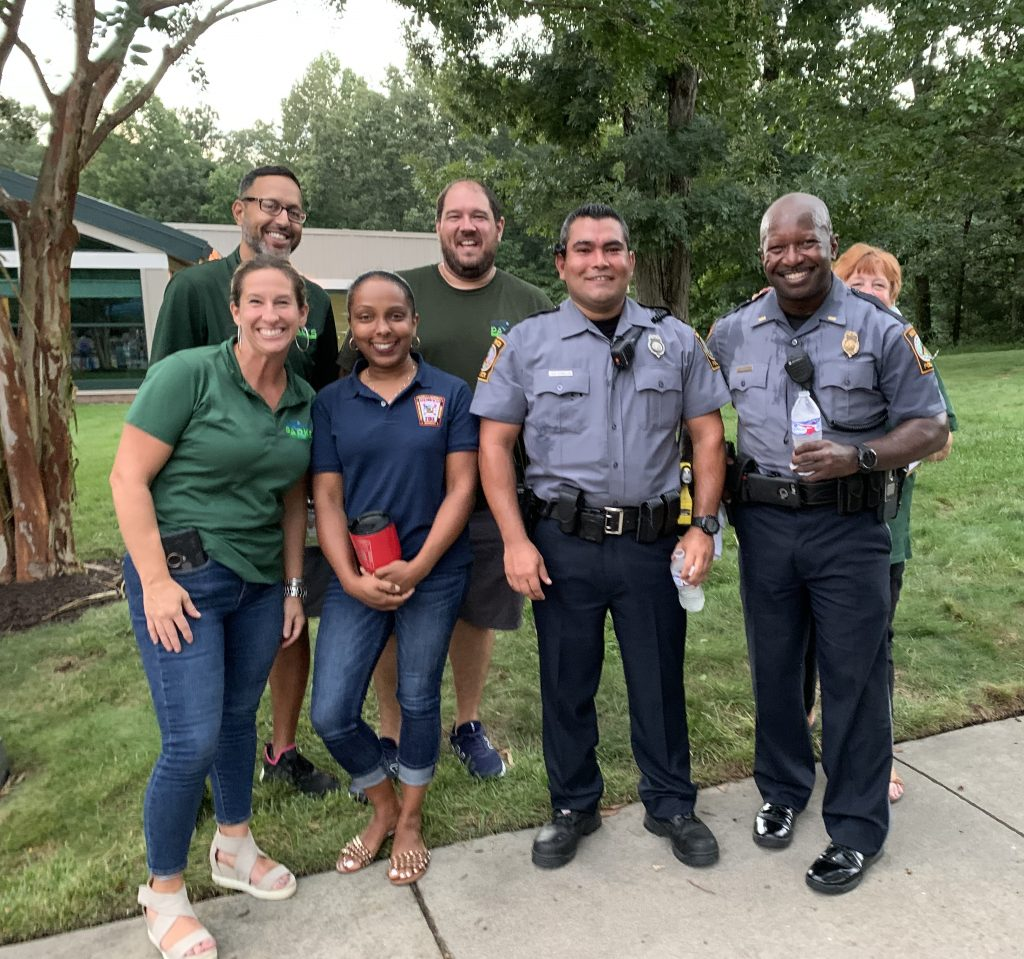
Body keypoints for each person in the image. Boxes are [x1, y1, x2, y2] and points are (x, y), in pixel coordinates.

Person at [473, 203, 730, 870]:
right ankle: (572, 804)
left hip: (652, 541)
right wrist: (514, 540)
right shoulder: (523, 344)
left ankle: (672, 802)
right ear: (561, 264)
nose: (599, 260)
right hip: (562, 541)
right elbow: (494, 445)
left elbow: (706, 435)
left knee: (658, 679)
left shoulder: (674, 340)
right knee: (565, 680)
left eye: (611, 247)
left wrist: (704, 524)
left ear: (630, 260)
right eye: (583, 249)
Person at [707, 193, 949, 894]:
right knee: (776, 667)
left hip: (850, 526)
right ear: (763, 255)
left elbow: (929, 425)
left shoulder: (879, 328)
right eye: (776, 248)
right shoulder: (734, 330)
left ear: (827, 240)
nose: (790, 258)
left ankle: (855, 826)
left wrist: (861, 456)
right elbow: (691, 403)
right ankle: (782, 789)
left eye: (803, 243)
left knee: (854, 677)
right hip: (767, 524)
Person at [111, 255, 313, 959]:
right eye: (256, 302)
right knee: (190, 738)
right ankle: (163, 891)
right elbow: (127, 476)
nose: (270, 315)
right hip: (183, 580)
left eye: (283, 303)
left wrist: (293, 588)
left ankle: (233, 844)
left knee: (236, 718)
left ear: (302, 313)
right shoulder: (188, 375)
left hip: (259, 585)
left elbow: (293, 500)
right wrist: (157, 582)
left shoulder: (301, 401)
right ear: (234, 310)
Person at [346, 179, 553, 782]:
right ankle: (391, 735)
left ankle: (466, 724)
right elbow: (354, 381)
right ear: (437, 226)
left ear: (499, 228)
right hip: (403, 495)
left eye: (480, 216)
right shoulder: (400, 295)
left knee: (477, 612)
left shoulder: (531, 303)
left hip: (493, 494)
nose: (468, 226)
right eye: (455, 216)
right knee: (390, 607)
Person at [150, 164, 340, 797]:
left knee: (292, 623)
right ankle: (195, 766)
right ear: (239, 210)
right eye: (269, 206)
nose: (282, 220)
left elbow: (320, 405)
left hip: (283, 506)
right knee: (192, 652)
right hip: (199, 526)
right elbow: (158, 409)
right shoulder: (195, 290)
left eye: (295, 211)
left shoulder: (314, 303)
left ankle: (280, 749)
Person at [310, 271, 477, 885]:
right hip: (359, 576)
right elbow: (325, 499)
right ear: (351, 326)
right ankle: (380, 805)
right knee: (330, 712)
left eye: (396, 316)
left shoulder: (451, 394)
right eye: (366, 317)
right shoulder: (330, 402)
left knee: (416, 697)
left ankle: (409, 819)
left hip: (433, 573)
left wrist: (421, 563)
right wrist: (349, 579)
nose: (382, 329)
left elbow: (463, 486)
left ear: (415, 322)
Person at [800, 242, 958, 803]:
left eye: (881, 286)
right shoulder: (818, 341)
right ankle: (807, 736)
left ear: (895, 295)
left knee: (869, 652)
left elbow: (941, 436)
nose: (870, 293)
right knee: (807, 646)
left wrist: (881, 454)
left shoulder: (902, 345)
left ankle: (875, 759)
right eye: (858, 282)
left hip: (879, 533)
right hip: (807, 527)